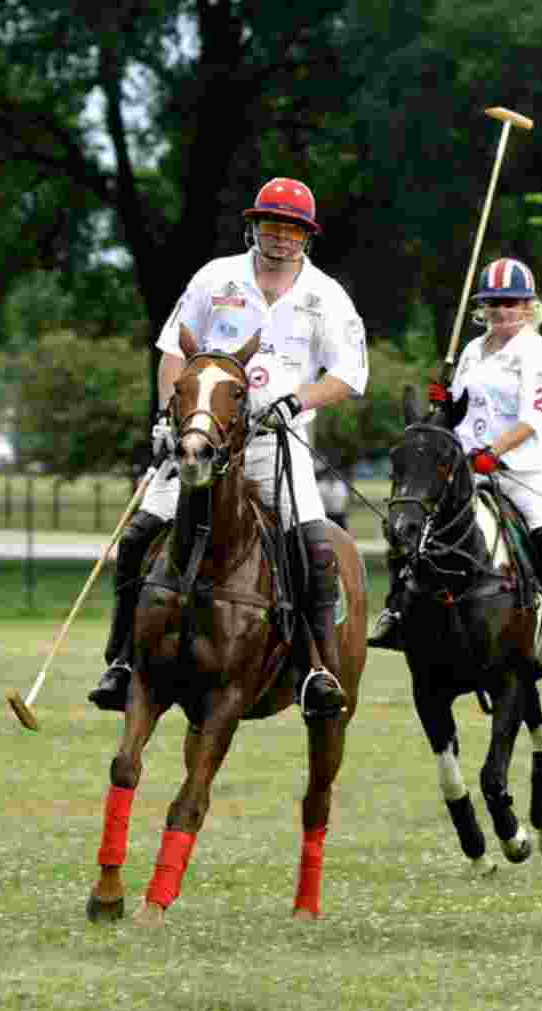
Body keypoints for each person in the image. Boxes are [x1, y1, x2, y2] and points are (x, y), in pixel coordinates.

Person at [88, 177, 369, 718]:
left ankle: (317, 669)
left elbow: (350, 375)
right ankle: (122, 659)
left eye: (292, 229)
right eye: (272, 226)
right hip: (203, 441)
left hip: (277, 446)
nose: (281, 238)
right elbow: (174, 351)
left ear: (306, 237)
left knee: (315, 548)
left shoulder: (325, 296)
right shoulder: (215, 278)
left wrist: (296, 401)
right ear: (254, 227)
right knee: (139, 535)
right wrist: (171, 416)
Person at [368, 257, 542, 667]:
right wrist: (444, 405)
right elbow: (463, 412)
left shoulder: (538, 353)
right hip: (466, 468)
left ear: (528, 306)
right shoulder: (471, 350)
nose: (502, 310)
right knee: (413, 527)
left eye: (511, 302)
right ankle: (397, 611)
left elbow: (532, 419)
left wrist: (494, 454)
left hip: (523, 470)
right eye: (493, 302)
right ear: (482, 308)